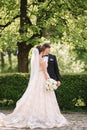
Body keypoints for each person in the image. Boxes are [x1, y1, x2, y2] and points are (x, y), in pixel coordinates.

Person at [0, 45, 68, 129]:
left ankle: (38, 115)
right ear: (43, 50)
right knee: (44, 96)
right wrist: (49, 81)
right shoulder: (42, 60)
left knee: (36, 96)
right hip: (43, 79)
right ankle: (44, 116)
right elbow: (45, 72)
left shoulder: (36, 59)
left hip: (37, 80)